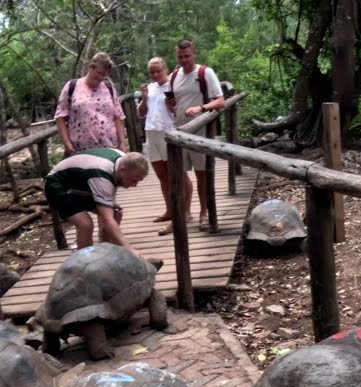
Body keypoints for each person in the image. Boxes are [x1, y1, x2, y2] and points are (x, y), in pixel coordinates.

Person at [164, 38, 225, 233]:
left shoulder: (205, 73)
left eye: (187, 56)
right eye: (180, 56)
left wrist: (201, 107)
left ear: (194, 54)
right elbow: (173, 102)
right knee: (178, 175)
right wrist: (170, 105)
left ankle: (204, 214)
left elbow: (221, 101)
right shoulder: (174, 75)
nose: (184, 60)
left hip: (200, 131)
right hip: (179, 131)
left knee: (202, 174)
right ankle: (183, 214)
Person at [43, 148, 150, 254]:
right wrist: (129, 248)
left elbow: (108, 197)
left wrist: (108, 204)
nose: (134, 185)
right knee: (85, 224)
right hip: (58, 185)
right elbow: (107, 219)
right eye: (133, 180)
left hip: (81, 185)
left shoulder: (123, 160)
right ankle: (84, 261)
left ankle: (105, 251)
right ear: (122, 170)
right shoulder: (102, 174)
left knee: (116, 213)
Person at [55, 52, 127, 156]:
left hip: (110, 149)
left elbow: (118, 117)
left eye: (104, 74)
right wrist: (67, 145)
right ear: (90, 68)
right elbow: (60, 117)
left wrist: (122, 144)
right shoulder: (72, 86)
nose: (101, 77)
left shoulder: (108, 87)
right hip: (80, 152)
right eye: (99, 73)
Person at [137, 57, 176, 224]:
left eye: (158, 71)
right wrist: (145, 98)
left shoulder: (173, 86)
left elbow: (177, 110)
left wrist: (171, 106)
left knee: (176, 174)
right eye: (152, 72)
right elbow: (141, 113)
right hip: (151, 133)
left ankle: (185, 211)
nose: (155, 74)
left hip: (167, 132)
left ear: (165, 69)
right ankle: (169, 210)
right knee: (162, 175)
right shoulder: (150, 88)